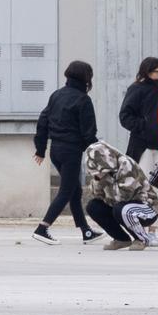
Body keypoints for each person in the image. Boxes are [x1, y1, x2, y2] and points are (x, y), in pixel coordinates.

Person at [32, 61, 102, 245]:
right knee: (65, 192)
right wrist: (100, 151)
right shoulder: (83, 99)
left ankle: (86, 231)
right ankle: (42, 228)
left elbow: (43, 121)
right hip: (71, 151)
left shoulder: (56, 95)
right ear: (86, 78)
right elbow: (88, 133)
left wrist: (40, 148)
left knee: (75, 191)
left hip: (55, 150)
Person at [82, 140, 158, 250]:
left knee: (121, 209)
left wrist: (104, 180)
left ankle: (141, 239)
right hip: (122, 205)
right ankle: (121, 239)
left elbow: (123, 196)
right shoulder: (103, 174)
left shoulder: (125, 164)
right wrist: (97, 180)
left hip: (147, 207)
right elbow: (97, 195)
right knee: (93, 206)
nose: (97, 173)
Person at [119, 56, 158, 171]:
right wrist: (144, 126)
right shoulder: (137, 89)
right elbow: (125, 116)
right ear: (148, 72)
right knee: (143, 181)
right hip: (143, 146)